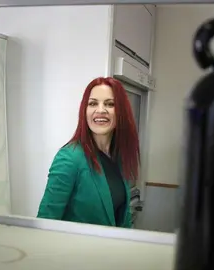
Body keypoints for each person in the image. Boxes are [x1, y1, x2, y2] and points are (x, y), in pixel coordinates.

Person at [37, 77, 140, 228]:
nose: (100, 110)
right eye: (92, 103)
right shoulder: (69, 158)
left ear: (121, 112)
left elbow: (121, 217)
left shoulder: (118, 155)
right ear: (85, 111)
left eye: (110, 104)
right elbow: (45, 223)